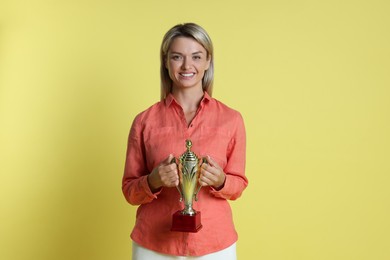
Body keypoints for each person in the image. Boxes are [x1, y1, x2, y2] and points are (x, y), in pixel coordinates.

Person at [122, 23, 248, 259]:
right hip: (154, 245)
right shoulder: (144, 121)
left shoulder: (232, 120)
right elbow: (129, 191)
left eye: (196, 57)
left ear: (208, 61)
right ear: (166, 62)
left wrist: (221, 180)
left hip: (214, 243)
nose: (187, 66)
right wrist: (153, 181)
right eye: (177, 57)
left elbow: (238, 184)